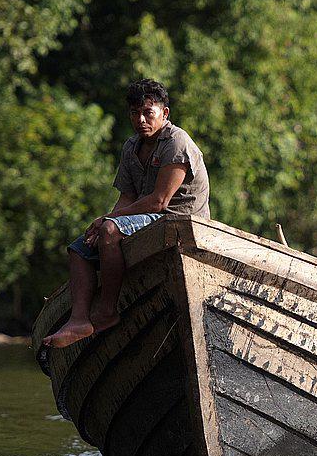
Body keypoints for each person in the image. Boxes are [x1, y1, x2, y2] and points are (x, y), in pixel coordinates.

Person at [44, 79, 210, 349]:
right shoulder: (131, 147)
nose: (141, 119)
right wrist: (102, 223)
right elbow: (127, 198)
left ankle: (106, 311)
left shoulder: (176, 141)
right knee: (80, 248)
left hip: (177, 220)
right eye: (135, 113)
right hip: (147, 218)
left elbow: (159, 201)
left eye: (148, 112)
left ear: (164, 113)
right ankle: (78, 319)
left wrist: (108, 223)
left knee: (110, 230)